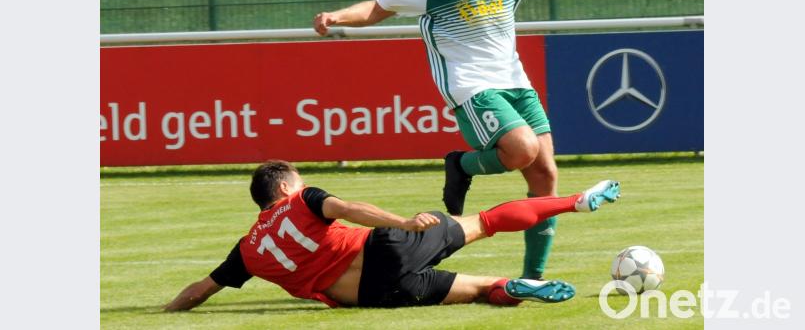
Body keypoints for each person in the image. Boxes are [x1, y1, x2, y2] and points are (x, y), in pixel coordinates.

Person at [312, 0, 674, 281]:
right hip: (470, 86)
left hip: (514, 80)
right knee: (522, 149)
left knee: (546, 177)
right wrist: (337, 16)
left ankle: (533, 278)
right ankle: (462, 164)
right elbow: (377, 7)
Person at [164, 160, 620, 311]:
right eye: (299, 179)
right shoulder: (300, 201)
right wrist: (401, 223)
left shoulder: (246, 250)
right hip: (385, 247)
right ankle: (574, 200)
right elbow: (348, 209)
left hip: (368, 295)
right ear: (284, 187)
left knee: (481, 290)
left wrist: (165, 309)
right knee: (485, 221)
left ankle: (515, 287)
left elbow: (200, 291)